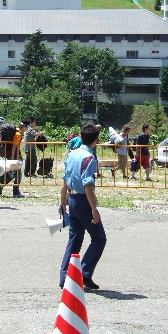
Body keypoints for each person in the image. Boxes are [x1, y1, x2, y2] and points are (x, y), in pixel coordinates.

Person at [59, 124, 106, 291]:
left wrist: (62, 201)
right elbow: (88, 184)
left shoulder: (72, 154)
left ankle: (65, 277)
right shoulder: (89, 158)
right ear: (96, 140)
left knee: (75, 239)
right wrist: (94, 208)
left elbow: (65, 179)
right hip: (83, 201)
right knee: (99, 238)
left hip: (72, 198)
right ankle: (84, 273)